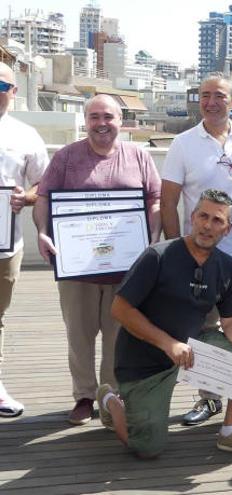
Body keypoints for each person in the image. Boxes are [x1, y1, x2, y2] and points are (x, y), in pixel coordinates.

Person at [96, 189, 232, 460]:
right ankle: (110, 400)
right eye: (203, 216)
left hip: (189, 352)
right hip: (144, 362)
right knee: (146, 447)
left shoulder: (227, 266)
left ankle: (230, 431)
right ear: (192, 217)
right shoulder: (158, 256)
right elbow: (119, 308)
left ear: (228, 229)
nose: (207, 225)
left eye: (217, 220)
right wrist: (167, 343)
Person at [33, 94, 161, 425]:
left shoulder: (139, 156)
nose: (101, 123)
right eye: (94, 117)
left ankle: (111, 396)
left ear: (121, 120)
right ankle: (84, 396)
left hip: (125, 267)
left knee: (119, 335)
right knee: (79, 334)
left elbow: (155, 199)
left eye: (108, 116)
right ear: (85, 120)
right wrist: (42, 231)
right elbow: (44, 197)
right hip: (78, 268)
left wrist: (152, 239)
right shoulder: (66, 157)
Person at [160, 74, 232, 435]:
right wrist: (178, 250)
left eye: (219, 96)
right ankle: (210, 397)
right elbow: (169, 200)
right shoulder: (182, 143)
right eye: (205, 95)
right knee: (204, 329)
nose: (211, 102)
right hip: (199, 255)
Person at [0, 62, 49, 417]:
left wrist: (25, 197)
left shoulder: (26, 135)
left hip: (5, 244)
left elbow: (42, 185)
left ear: (14, 91)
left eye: (2, 85)